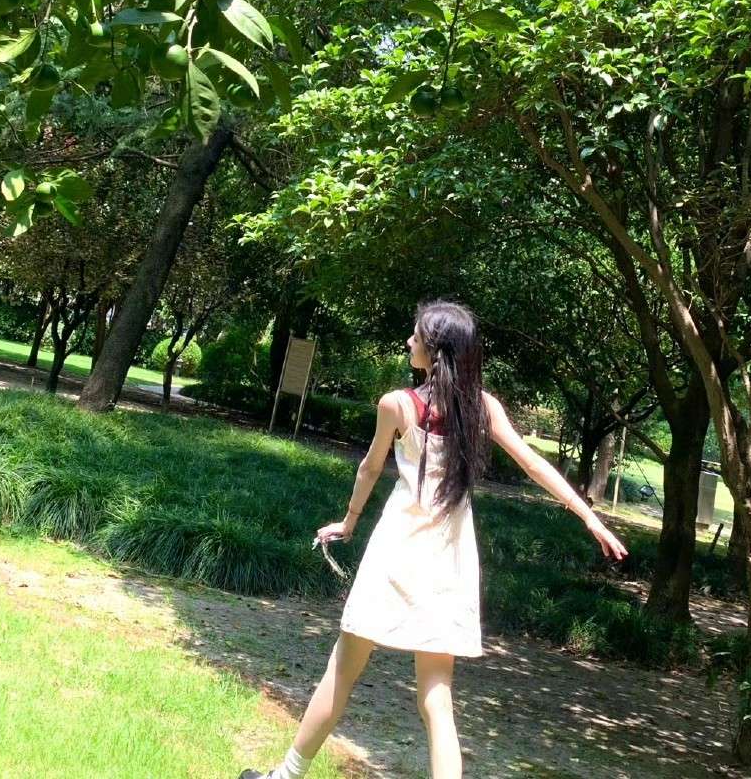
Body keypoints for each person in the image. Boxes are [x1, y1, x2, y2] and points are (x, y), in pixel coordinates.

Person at [239, 300, 627, 779]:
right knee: (437, 697)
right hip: (449, 555)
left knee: (342, 670)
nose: (408, 342)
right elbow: (532, 464)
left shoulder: (397, 404)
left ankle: (285, 775)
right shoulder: (482, 407)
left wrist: (349, 521)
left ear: (436, 350)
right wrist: (589, 517)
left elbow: (370, 469)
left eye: (416, 336)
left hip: (397, 547)